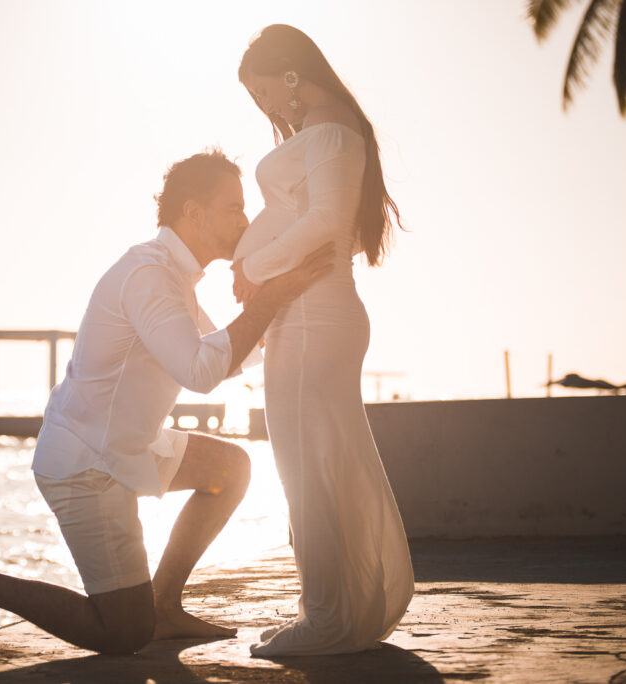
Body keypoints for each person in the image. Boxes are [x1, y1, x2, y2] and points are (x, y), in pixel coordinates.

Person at [0, 149, 334, 655]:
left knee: (231, 469)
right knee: (123, 633)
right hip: (83, 463)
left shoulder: (174, 276)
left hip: (126, 445)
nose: (246, 219)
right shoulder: (150, 276)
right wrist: (274, 297)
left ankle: (163, 606)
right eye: (233, 207)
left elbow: (225, 355)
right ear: (194, 213)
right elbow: (200, 372)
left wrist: (290, 305)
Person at [230, 24, 415, 656]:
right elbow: (318, 219)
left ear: (288, 74)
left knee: (306, 466)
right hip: (307, 315)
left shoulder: (332, 130)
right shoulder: (326, 132)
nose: (264, 108)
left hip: (315, 320)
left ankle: (329, 619)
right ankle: (341, 608)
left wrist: (253, 268)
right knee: (319, 463)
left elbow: (329, 221)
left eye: (262, 92)